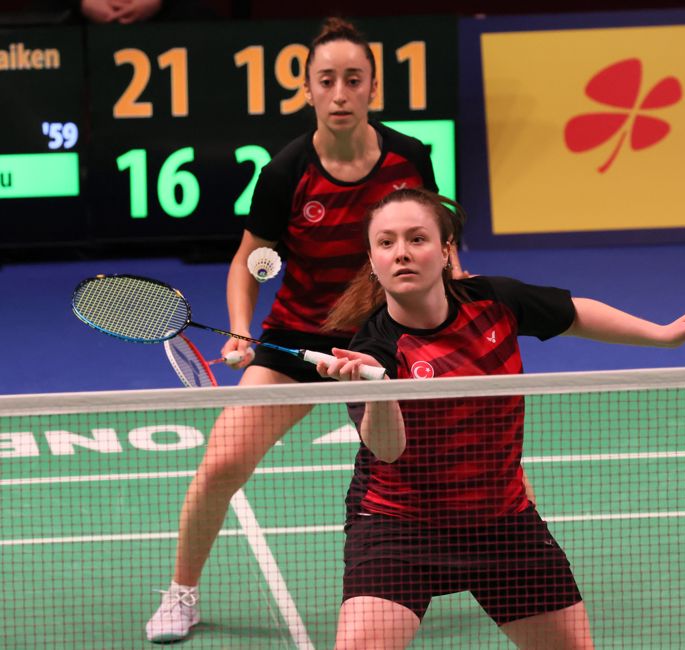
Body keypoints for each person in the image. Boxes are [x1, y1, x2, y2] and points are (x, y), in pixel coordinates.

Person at [145, 17, 455, 643]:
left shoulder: (408, 157)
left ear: (372, 88)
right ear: (308, 91)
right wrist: (239, 331)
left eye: (353, 80)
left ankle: (485, 566)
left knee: (436, 459)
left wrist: (456, 316)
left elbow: (439, 245)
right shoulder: (287, 171)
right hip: (296, 337)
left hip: (382, 337)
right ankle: (181, 593)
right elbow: (246, 262)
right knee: (221, 464)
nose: (340, 93)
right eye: (326, 81)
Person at [317, 187, 685, 649]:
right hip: (399, 528)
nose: (402, 254)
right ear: (372, 261)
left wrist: (662, 335)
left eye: (417, 239)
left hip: (501, 520)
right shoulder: (372, 346)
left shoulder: (494, 301)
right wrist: (378, 390)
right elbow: (388, 450)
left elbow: (573, 313)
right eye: (386, 243)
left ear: (445, 250)